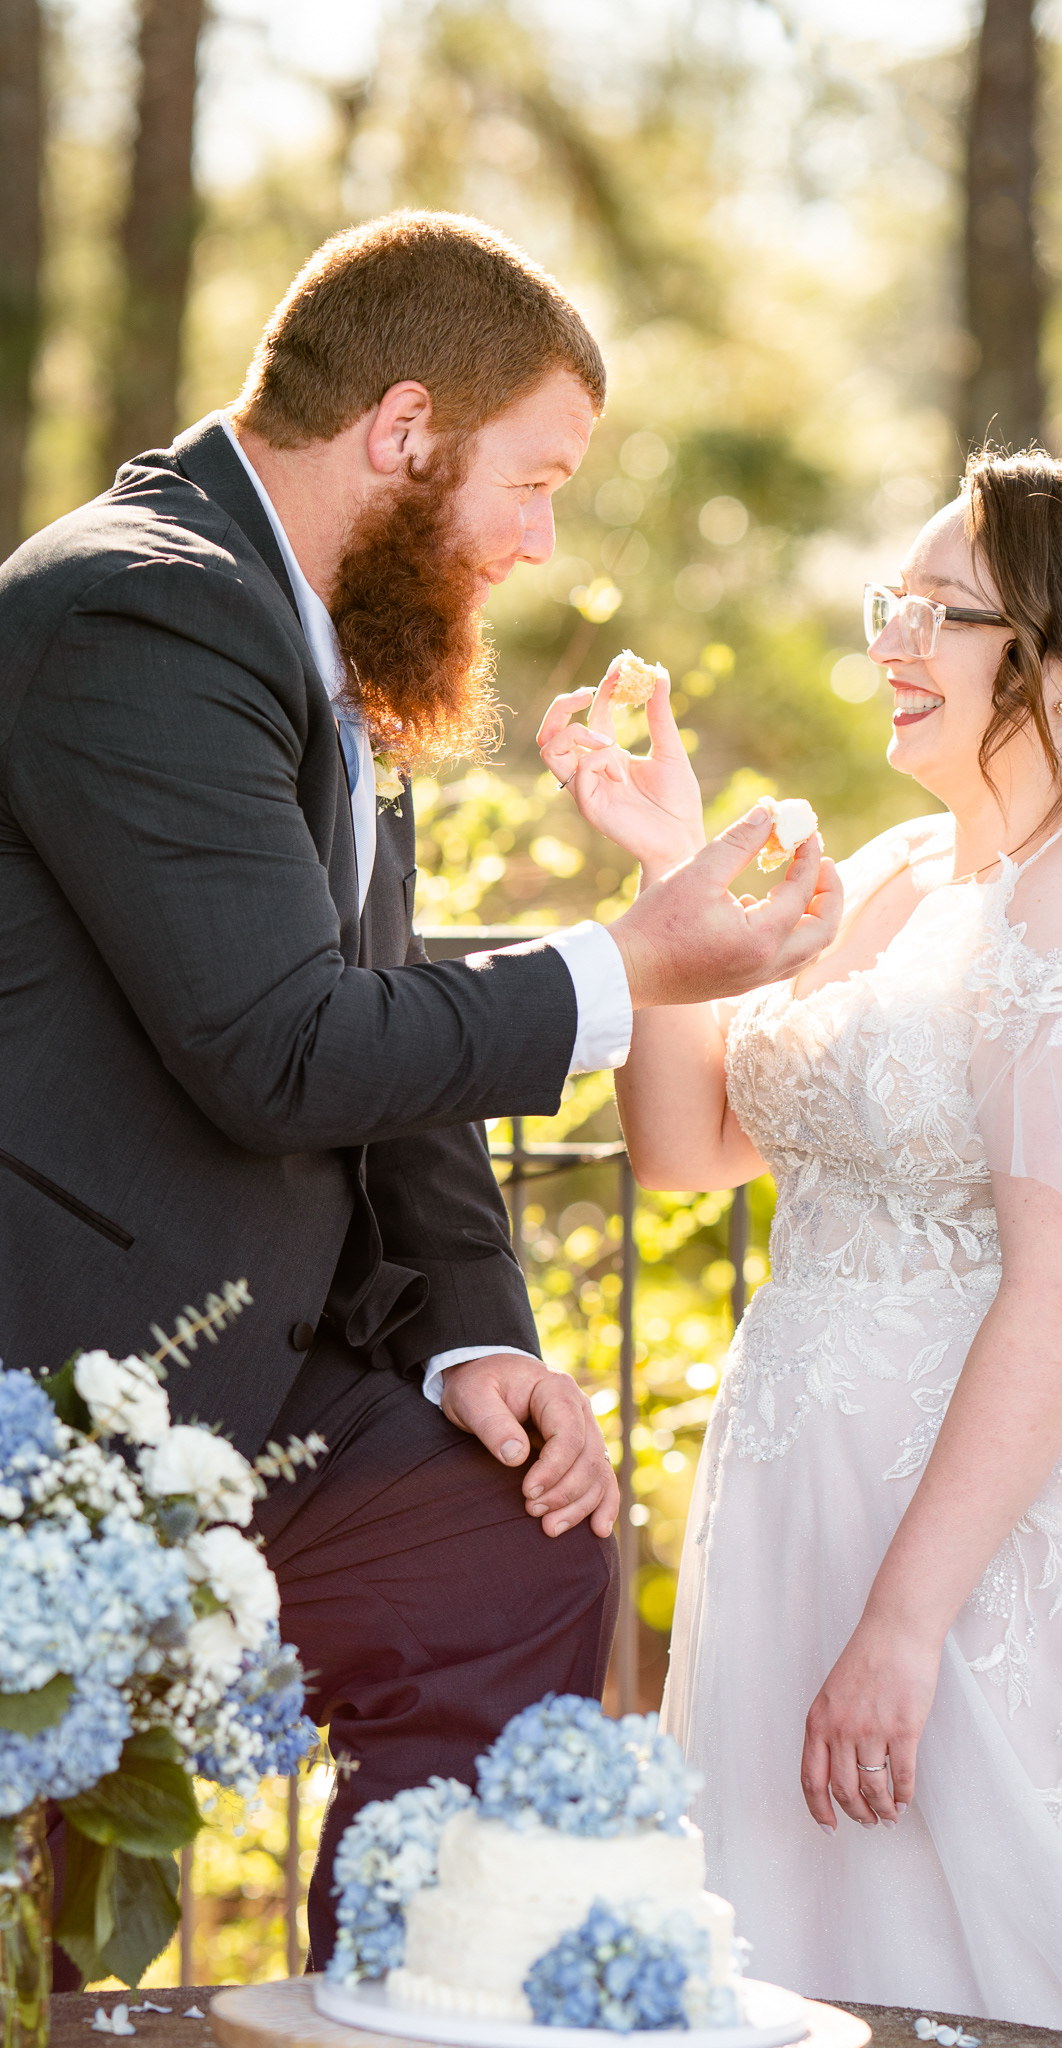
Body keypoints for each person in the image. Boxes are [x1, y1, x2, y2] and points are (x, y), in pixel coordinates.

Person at [0, 209, 840, 1968]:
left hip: (279, 1383)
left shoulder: (321, 635)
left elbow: (383, 1013)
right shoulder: (137, 613)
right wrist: (630, 970)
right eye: (529, 485)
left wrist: (478, 1337)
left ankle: (404, 1999)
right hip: (64, 1391)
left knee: (513, 1542)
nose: (540, 544)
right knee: (61, 1928)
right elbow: (282, 1047)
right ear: (401, 431)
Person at [539, 450, 1062, 2047]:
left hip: (1033, 1540)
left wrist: (905, 1625)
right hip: (830, 1508)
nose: (889, 645)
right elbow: (685, 1147)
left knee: (1031, 1979)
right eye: (888, 605)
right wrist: (664, 871)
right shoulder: (914, 874)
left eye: (938, 612)